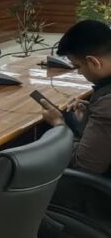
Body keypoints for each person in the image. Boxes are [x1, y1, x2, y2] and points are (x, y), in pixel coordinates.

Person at [39, 20, 111, 175]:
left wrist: (59, 126)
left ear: (94, 62)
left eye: (78, 66)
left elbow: (84, 165)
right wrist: (89, 115)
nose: (79, 73)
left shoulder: (107, 104)